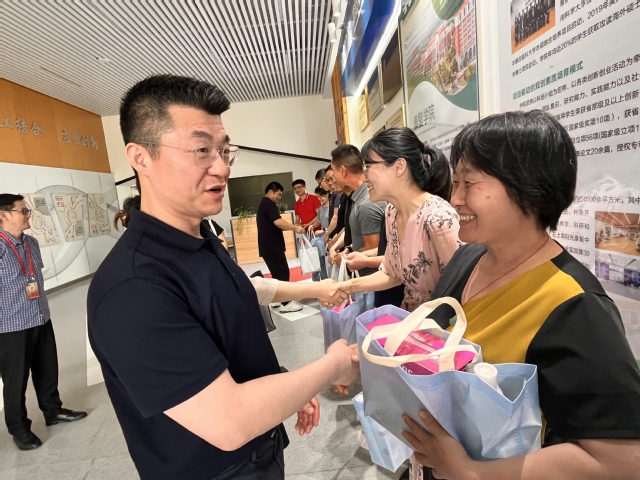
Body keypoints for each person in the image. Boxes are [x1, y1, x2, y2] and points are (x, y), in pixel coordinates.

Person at [87, 75, 359, 480]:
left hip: (261, 451)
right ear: (140, 157)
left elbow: (229, 326)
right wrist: (331, 365)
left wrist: (284, 386)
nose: (221, 168)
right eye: (201, 150)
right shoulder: (132, 287)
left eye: (224, 150)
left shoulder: (201, 240)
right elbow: (229, 420)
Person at [400, 111, 640, 479]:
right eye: (455, 182)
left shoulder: (575, 305)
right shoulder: (468, 257)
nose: (455, 198)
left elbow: (622, 461)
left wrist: (469, 472)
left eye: (470, 183)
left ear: (528, 187)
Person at [332, 128, 460, 311]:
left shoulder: (438, 217)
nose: (365, 176)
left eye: (369, 167)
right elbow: (392, 274)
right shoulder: (392, 212)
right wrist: (347, 286)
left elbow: (463, 284)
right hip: (410, 317)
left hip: (439, 322)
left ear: (399, 167)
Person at [0, 194, 87, 451]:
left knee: (47, 368)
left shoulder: (31, 243)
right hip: (10, 326)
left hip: (40, 316)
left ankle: (53, 410)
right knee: (15, 380)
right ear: (3, 215)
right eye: (23, 211)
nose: (29, 215)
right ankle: (19, 429)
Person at [328, 145, 386, 276]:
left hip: (372, 276)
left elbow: (374, 248)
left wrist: (344, 259)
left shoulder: (367, 203)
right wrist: (348, 249)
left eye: (334, 173)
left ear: (342, 171)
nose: (333, 180)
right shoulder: (357, 198)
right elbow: (361, 235)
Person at [258, 181, 306, 312]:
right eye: (278, 194)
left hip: (267, 246)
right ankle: (286, 303)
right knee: (283, 273)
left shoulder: (264, 204)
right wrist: (295, 227)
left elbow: (277, 225)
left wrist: (292, 227)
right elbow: (278, 222)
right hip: (273, 246)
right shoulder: (269, 204)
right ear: (270, 192)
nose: (279, 198)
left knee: (276, 275)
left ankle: (276, 300)